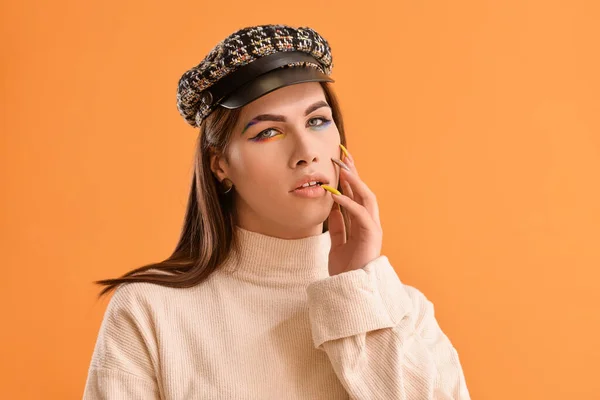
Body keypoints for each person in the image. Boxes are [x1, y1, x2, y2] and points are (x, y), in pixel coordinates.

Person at [83, 24, 471, 399]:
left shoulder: (404, 311)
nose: (307, 152)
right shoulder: (149, 311)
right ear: (220, 166)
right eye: (267, 132)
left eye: (318, 121)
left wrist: (355, 288)